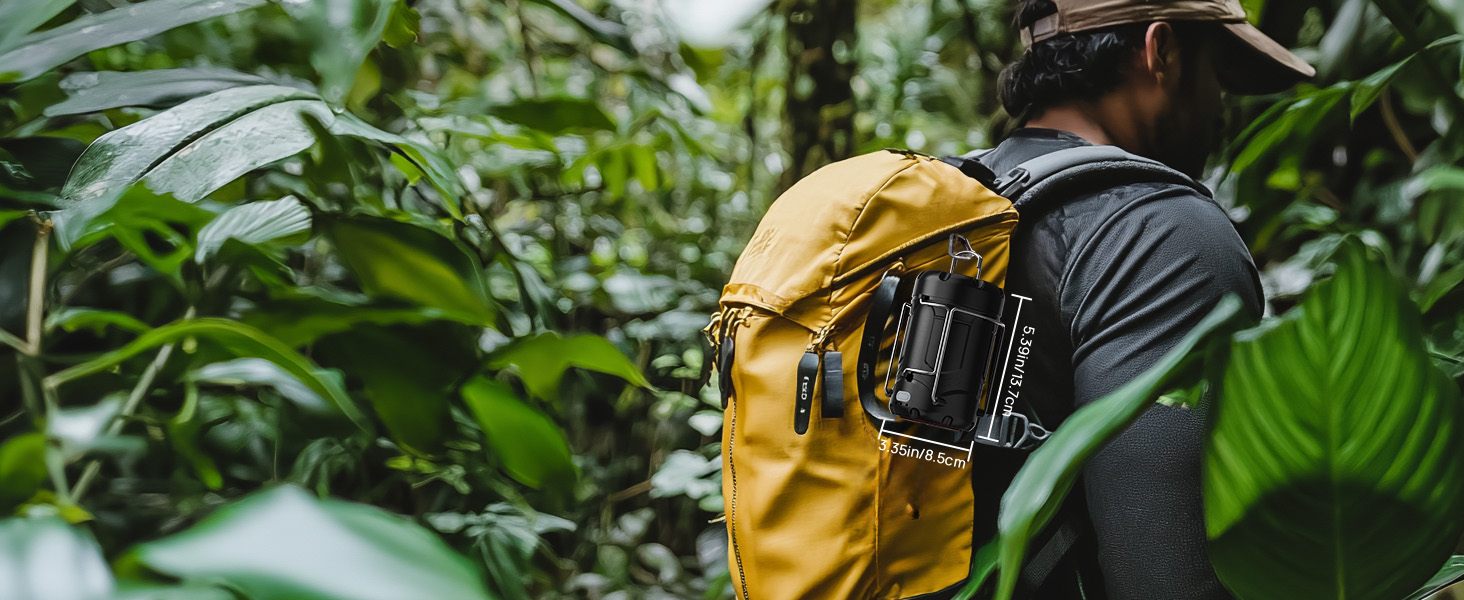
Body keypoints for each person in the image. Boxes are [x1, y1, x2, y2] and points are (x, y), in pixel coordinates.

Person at [971, 0, 1315, 598]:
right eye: (1215, 74)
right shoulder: (1165, 238)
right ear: (1162, 52)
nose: (1219, 106)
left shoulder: (966, 210)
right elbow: (1172, 579)